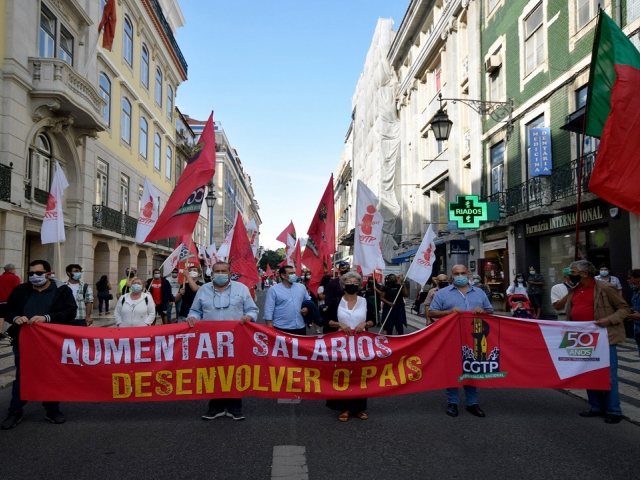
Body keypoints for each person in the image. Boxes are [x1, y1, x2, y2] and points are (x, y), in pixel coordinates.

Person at [1, 260, 77, 429]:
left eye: (39, 273)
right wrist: (14, 318)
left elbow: (70, 311)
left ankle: (51, 410)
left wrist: (47, 318)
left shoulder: (61, 290)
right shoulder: (21, 290)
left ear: (49, 274)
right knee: (22, 376)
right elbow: (6, 310)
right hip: (24, 341)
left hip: (51, 342)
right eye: (31, 274)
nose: (34, 277)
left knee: (50, 375)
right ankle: (14, 412)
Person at [187, 261, 258, 421]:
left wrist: (249, 317)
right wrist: (193, 318)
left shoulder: (242, 289)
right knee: (213, 372)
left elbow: (253, 309)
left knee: (234, 372)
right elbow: (195, 310)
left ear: (230, 273)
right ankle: (215, 407)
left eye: (223, 271)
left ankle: (235, 407)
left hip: (235, 340)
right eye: (217, 271)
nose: (220, 274)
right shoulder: (203, 290)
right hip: (210, 341)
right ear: (211, 274)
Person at [565, 260, 629, 424]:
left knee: (607, 375)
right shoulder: (574, 289)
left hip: (604, 339)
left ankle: (614, 410)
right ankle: (596, 406)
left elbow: (624, 308)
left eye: (573, 272)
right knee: (588, 373)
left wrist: (609, 320)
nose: (570, 274)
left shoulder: (605, 288)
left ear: (584, 273)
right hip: (580, 339)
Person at [429, 264, 493, 418]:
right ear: (452, 276)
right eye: (456, 273)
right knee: (452, 369)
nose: (460, 276)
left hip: (475, 337)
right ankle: (452, 402)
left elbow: (490, 311)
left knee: (472, 368)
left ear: (469, 274)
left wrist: (483, 311)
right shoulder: (442, 294)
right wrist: (448, 312)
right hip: (451, 337)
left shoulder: (479, 293)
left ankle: (472, 403)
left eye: (463, 273)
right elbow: (432, 312)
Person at [325, 271, 376, 421]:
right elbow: (327, 321)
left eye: (355, 283)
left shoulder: (366, 301)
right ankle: (344, 408)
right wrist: (339, 323)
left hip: (361, 345)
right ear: (342, 285)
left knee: (360, 375)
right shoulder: (336, 302)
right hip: (341, 345)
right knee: (342, 374)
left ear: (359, 285)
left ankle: (359, 408)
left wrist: (365, 323)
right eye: (349, 282)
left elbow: (373, 321)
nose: (352, 285)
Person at [263, 265, 310, 335]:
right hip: (282, 328)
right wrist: (269, 324)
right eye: (291, 273)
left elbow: (307, 300)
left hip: (300, 326)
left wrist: (307, 308)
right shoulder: (273, 290)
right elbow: (269, 308)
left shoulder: (301, 287)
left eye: (294, 273)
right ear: (283, 275)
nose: (294, 275)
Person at [0, 263, 21, 341]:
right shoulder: (15, 278)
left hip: (0, 300)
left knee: (1, 316)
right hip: (11, 301)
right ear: (12, 269)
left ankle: (0, 333)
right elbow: (18, 290)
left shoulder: (0, 277)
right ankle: (10, 332)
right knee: (12, 315)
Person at [627, 269, 640, 359]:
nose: (629, 281)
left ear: (638, 278)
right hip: (637, 326)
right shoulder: (636, 292)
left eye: (631, 278)